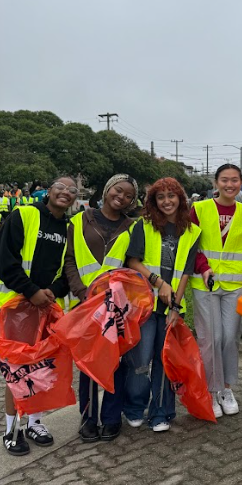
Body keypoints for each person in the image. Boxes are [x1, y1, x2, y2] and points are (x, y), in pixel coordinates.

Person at [190, 164, 242, 418]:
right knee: (210, 339)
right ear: (216, 183)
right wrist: (203, 267)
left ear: (241, 183)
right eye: (224, 180)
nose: (230, 185)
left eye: (235, 180)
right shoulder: (199, 209)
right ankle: (210, 390)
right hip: (205, 284)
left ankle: (226, 389)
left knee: (229, 338)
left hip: (235, 286)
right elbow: (190, 244)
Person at [0, 176, 77, 455]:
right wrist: (31, 291)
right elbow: (5, 259)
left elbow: (69, 269)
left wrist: (52, 292)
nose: (65, 193)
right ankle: (12, 430)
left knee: (43, 368)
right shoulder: (24, 214)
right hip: (16, 305)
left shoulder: (69, 228)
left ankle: (35, 422)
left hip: (47, 307)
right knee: (17, 369)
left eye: (72, 190)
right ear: (49, 191)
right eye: (61, 187)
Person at [64, 174, 138, 442]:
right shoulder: (80, 220)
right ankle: (88, 419)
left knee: (115, 363)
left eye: (128, 195)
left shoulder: (133, 227)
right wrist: (83, 293)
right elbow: (70, 260)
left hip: (116, 307)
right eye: (118, 190)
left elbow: (132, 267)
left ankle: (110, 418)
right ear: (108, 189)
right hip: (85, 305)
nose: (122, 197)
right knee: (87, 364)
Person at [123, 178, 201, 432]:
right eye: (161, 197)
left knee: (164, 362)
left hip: (170, 309)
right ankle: (134, 408)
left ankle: (161, 413)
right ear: (153, 201)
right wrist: (158, 283)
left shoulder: (191, 231)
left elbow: (186, 272)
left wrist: (176, 307)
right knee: (141, 361)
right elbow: (132, 261)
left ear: (180, 198)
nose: (167, 201)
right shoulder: (143, 226)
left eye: (171, 195)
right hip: (144, 305)